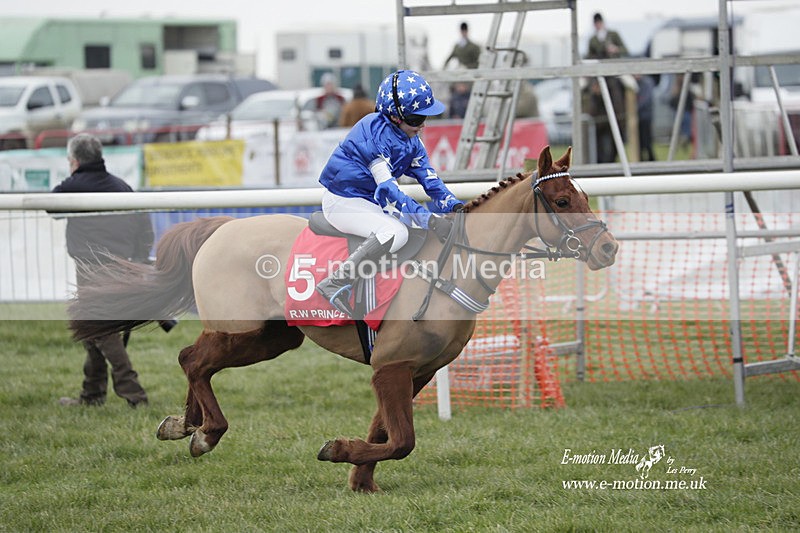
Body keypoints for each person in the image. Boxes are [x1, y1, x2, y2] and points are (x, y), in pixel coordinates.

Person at [315, 69, 463, 316]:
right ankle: (336, 281)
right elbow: (391, 191)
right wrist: (430, 219)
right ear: (395, 116)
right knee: (395, 232)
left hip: (368, 200)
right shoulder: (373, 135)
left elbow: (431, 180)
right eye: (417, 119)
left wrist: (457, 206)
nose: (423, 125)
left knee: (417, 228)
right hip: (343, 200)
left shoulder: (411, 139)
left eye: (425, 118)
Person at [54, 133, 153, 408]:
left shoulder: (73, 185)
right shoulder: (121, 186)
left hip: (91, 268)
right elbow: (143, 222)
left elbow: (51, 206)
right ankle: (92, 395)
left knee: (101, 330)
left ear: (73, 161)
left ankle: (133, 392)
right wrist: (140, 261)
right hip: (123, 265)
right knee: (95, 329)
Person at [585, 12, 629, 163]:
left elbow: (625, 50)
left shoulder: (613, 35)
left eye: (599, 22)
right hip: (597, 74)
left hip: (613, 74)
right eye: (595, 23)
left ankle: (625, 114)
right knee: (585, 88)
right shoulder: (592, 39)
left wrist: (615, 49)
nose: (598, 25)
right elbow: (589, 56)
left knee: (630, 85)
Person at [636, 74, 656, 161]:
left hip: (645, 116)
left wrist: (635, 108)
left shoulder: (647, 82)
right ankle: (641, 158)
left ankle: (651, 158)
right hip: (638, 117)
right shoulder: (636, 83)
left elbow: (645, 99)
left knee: (647, 139)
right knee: (639, 140)